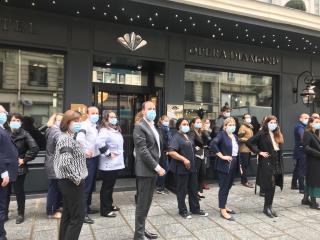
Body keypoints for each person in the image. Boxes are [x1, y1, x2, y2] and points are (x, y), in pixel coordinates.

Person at [133, 101, 165, 240]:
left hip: (152, 170)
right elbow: (143, 151)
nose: (152, 111)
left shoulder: (153, 126)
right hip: (146, 170)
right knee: (142, 204)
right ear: (143, 111)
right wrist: (157, 167)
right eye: (149, 109)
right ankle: (138, 235)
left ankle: (142, 229)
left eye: (154, 108)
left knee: (147, 203)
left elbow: (156, 147)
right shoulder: (140, 127)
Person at [53, 110, 88, 240]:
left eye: (80, 121)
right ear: (67, 123)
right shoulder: (66, 140)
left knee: (67, 216)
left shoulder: (68, 137)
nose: (79, 123)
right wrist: (77, 178)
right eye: (76, 121)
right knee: (78, 218)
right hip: (71, 182)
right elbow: (65, 163)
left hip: (68, 182)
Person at [168, 118, 208, 219]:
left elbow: (192, 146)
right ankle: (183, 210)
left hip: (192, 167)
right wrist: (184, 159)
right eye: (184, 124)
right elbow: (172, 152)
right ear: (179, 126)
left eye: (187, 124)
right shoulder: (176, 137)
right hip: (181, 168)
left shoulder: (188, 135)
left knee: (193, 189)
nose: (186, 126)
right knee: (182, 190)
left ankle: (195, 209)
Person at [246, 115, 284, 218]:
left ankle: (269, 206)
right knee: (269, 185)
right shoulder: (262, 133)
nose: (273, 124)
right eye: (271, 122)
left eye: (275, 122)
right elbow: (249, 142)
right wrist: (259, 152)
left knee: (273, 185)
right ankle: (266, 208)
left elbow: (278, 148)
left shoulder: (277, 133)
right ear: (267, 123)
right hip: (267, 162)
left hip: (276, 161)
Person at [6, 113, 39, 224]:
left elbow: (34, 148)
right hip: (5, 167)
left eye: (17, 120)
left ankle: (20, 214)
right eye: (13, 120)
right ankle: (4, 213)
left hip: (18, 168)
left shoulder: (25, 134)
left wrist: (24, 159)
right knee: (5, 192)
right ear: (9, 122)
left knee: (19, 192)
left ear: (20, 122)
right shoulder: (5, 133)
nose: (15, 122)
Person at [210, 117, 239, 221]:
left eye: (233, 124)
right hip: (224, 165)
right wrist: (221, 156)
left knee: (228, 186)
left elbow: (236, 152)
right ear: (225, 126)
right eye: (230, 125)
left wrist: (239, 165)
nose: (232, 126)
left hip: (234, 163)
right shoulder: (222, 134)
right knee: (223, 187)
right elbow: (213, 144)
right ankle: (222, 210)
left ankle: (224, 205)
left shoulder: (235, 136)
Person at [97, 111, 125, 217]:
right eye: (111, 117)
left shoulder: (115, 129)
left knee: (111, 186)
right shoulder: (104, 130)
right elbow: (99, 142)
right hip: (108, 164)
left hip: (115, 163)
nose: (114, 118)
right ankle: (105, 210)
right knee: (107, 187)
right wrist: (108, 153)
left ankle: (109, 205)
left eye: (115, 116)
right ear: (106, 118)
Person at [76, 106, 100, 224]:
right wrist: (86, 150)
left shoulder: (94, 126)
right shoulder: (85, 125)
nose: (95, 115)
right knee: (86, 187)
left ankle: (88, 207)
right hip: (88, 159)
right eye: (93, 113)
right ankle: (83, 213)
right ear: (87, 114)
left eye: (97, 113)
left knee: (90, 185)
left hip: (94, 158)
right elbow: (79, 138)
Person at [0, 105, 18, 240]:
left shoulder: (3, 129)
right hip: (2, 173)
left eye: (5, 112)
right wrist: (3, 172)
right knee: (1, 206)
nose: (5, 114)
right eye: (2, 112)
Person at [45, 113, 63, 219]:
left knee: (56, 186)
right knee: (54, 187)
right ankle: (51, 212)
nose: (61, 121)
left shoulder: (51, 129)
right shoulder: (56, 130)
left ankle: (56, 207)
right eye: (59, 119)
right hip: (54, 163)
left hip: (54, 162)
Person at [302, 117, 320, 209]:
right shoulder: (307, 133)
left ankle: (305, 199)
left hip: (316, 161)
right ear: (310, 123)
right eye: (316, 122)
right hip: (312, 161)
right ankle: (313, 203)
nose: (318, 123)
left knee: (312, 180)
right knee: (313, 181)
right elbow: (306, 147)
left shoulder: (315, 132)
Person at [188, 117, 206, 199]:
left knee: (202, 174)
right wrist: (195, 148)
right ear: (193, 124)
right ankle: (194, 193)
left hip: (202, 155)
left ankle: (199, 191)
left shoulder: (201, 132)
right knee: (195, 175)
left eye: (200, 122)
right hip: (196, 156)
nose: (199, 123)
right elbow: (190, 142)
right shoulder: (192, 132)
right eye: (197, 122)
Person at [291, 113, 309, 193]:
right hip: (301, 151)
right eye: (305, 118)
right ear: (300, 118)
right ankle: (302, 188)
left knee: (297, 168)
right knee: (302, 169)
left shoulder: (304, 126)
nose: (307, 119)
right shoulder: (300, 127)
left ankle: (294, 184)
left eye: (308, 118)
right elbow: (302, 137)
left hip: (299, 150)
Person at [156, 115, 171, 194]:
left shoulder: (166, 129)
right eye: (165, 120)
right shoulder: (161, 129)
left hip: (165, 151)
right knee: (164, 169)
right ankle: (160, 187)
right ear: (161, 121)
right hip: (163, 152)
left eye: (168, 121)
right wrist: (167, 149)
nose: (167, 122)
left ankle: (160, 186)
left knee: (164, 169)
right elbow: (163, 141)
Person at [238, 113, 254, 188]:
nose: (249, 118)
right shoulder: (242, 127)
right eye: (247, 117)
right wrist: (248, 140)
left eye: (249, 117)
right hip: (244, 149)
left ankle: (245, 180)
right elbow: (239, 138)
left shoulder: (249, 127)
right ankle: (244, 181)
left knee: (246, 166)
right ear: (244, 119)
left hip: (249, 149)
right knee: (244, 166)